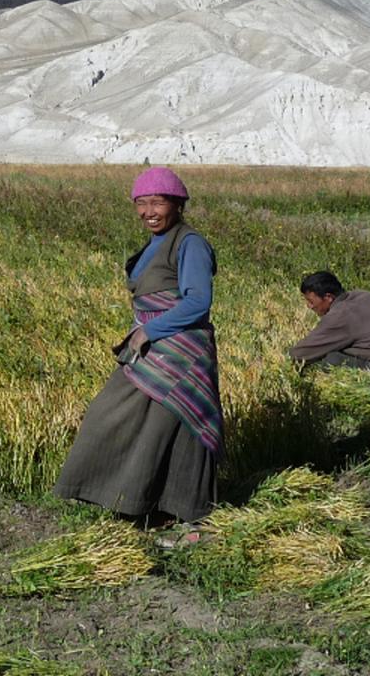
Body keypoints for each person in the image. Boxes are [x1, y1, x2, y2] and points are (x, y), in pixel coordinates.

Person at [54, 167, 223, 543]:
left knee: (180, 425)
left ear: (177, 205)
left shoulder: (189, 242)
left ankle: (193, 520)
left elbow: (198, 300)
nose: (149, 210)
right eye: (141, 202)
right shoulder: (155, 244)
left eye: (157, 202)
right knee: (145, 425)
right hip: (154, 346)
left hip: (179, 351)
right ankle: (142, 505)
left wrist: (150, 329)